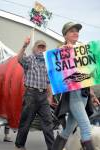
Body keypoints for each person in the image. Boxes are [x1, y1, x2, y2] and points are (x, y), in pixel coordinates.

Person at [52, 22, 100, 150]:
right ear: (65, 35)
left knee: (68, 130)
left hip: (83, 95)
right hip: (74, 96)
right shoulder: (61, 49)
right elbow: (56, 63)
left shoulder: (81, 53)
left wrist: (92, 94)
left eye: (77, 31)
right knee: (86, 128)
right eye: (72, 31)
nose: (76, 33)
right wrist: (63, 50)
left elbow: (85, 77)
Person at [15, 37, 54, 150]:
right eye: (39, 47)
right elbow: (19, 59)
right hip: (31, 95)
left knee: (48, 123)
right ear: (35, 48)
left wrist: (50, 96)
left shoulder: (47, 63)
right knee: (26, 122)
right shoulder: (30, 59)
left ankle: (52, 147)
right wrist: (24, 45)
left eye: (43, 47)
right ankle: (19, 145)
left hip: (43, 96)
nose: (41, 49)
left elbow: (48, 81)